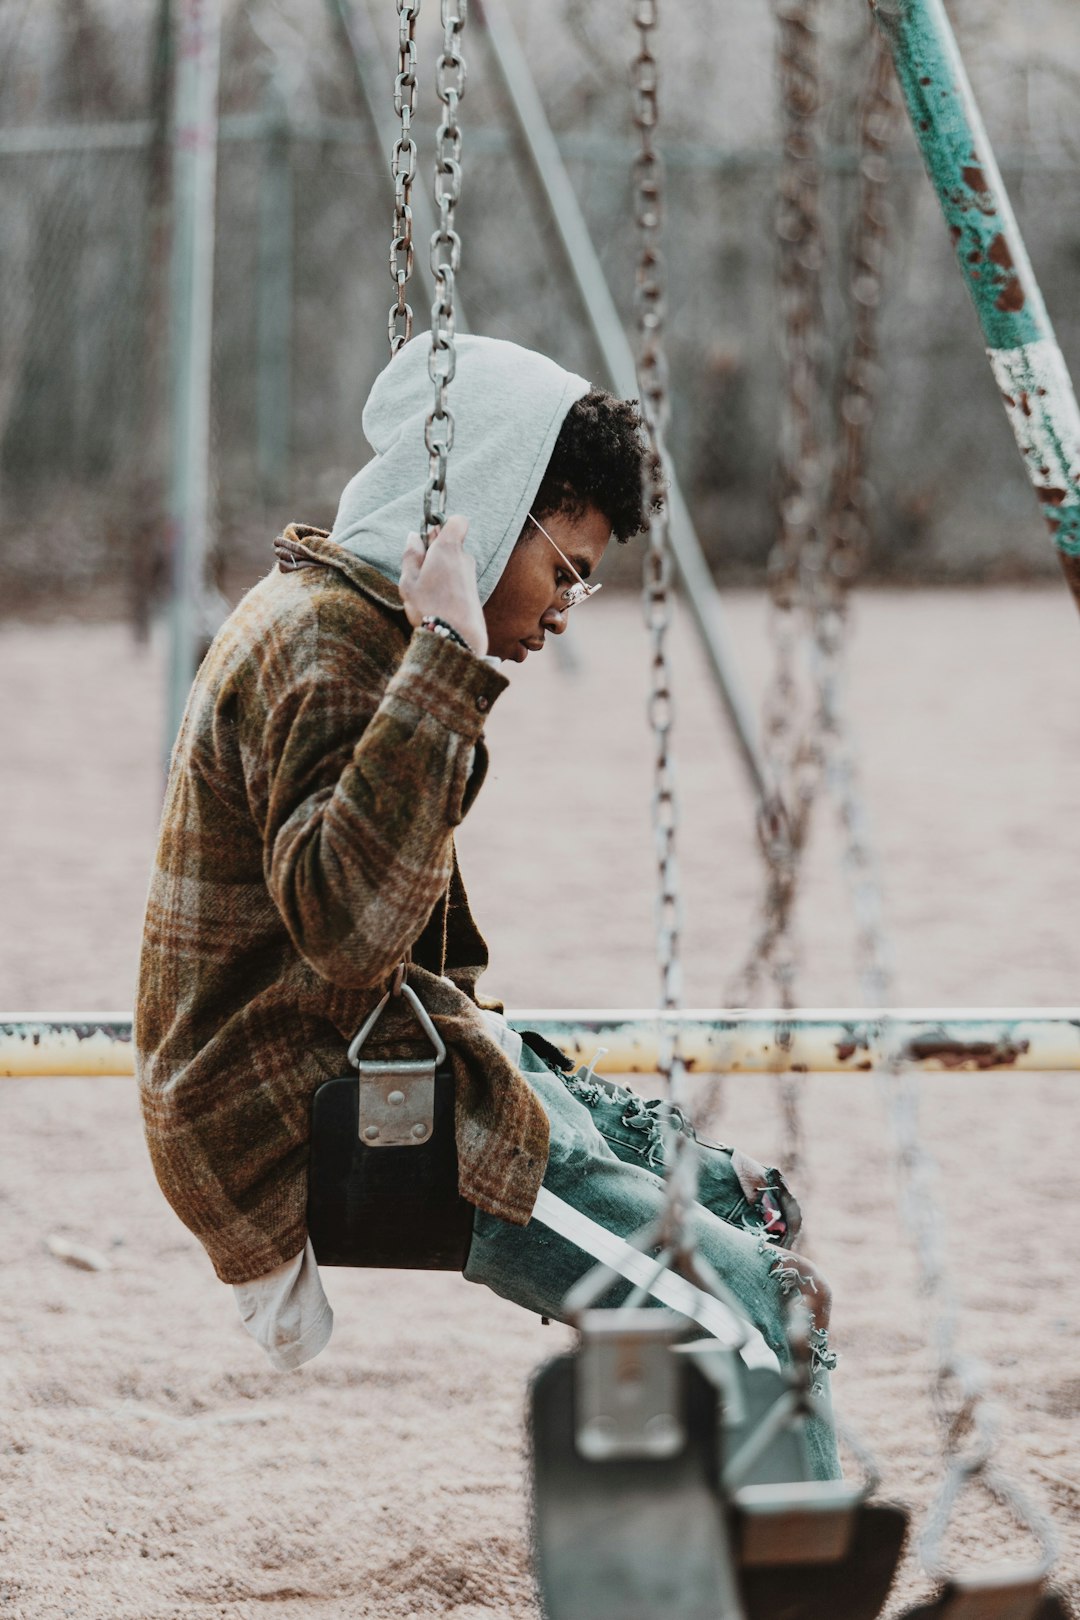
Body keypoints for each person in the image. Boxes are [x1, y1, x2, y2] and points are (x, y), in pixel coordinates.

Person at [135, 334, 839, 1477]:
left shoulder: (346, 613)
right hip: (296, 1104)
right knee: (763, 1314)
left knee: (736, 1203)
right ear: (484, 513)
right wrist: (453, 660)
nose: (568, 607)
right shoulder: (330, 646)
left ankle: (681, 1527)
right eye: (565, 568)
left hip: (349, 1054)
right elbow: (349, 932)